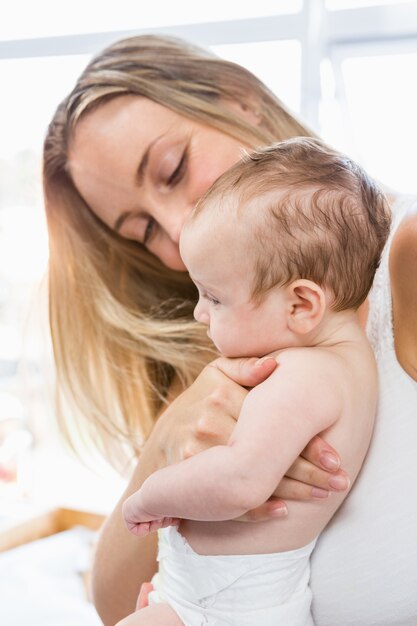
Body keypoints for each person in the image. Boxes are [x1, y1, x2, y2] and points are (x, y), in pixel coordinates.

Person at [42, 35, 417, 626]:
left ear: (239, 98)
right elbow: (115, 605)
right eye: (140, 230)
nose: (176, 224)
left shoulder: (405, 257)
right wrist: (166, 441)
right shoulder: (234, 341)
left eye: (173, 169)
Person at [117, 137, 390, 625]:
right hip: (214, 594)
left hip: (225, 605)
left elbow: (241, 481)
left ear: (302, 305)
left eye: (215, 298)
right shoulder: (344, 362)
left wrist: (148, 496)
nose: (200, 313)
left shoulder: (306, 374)